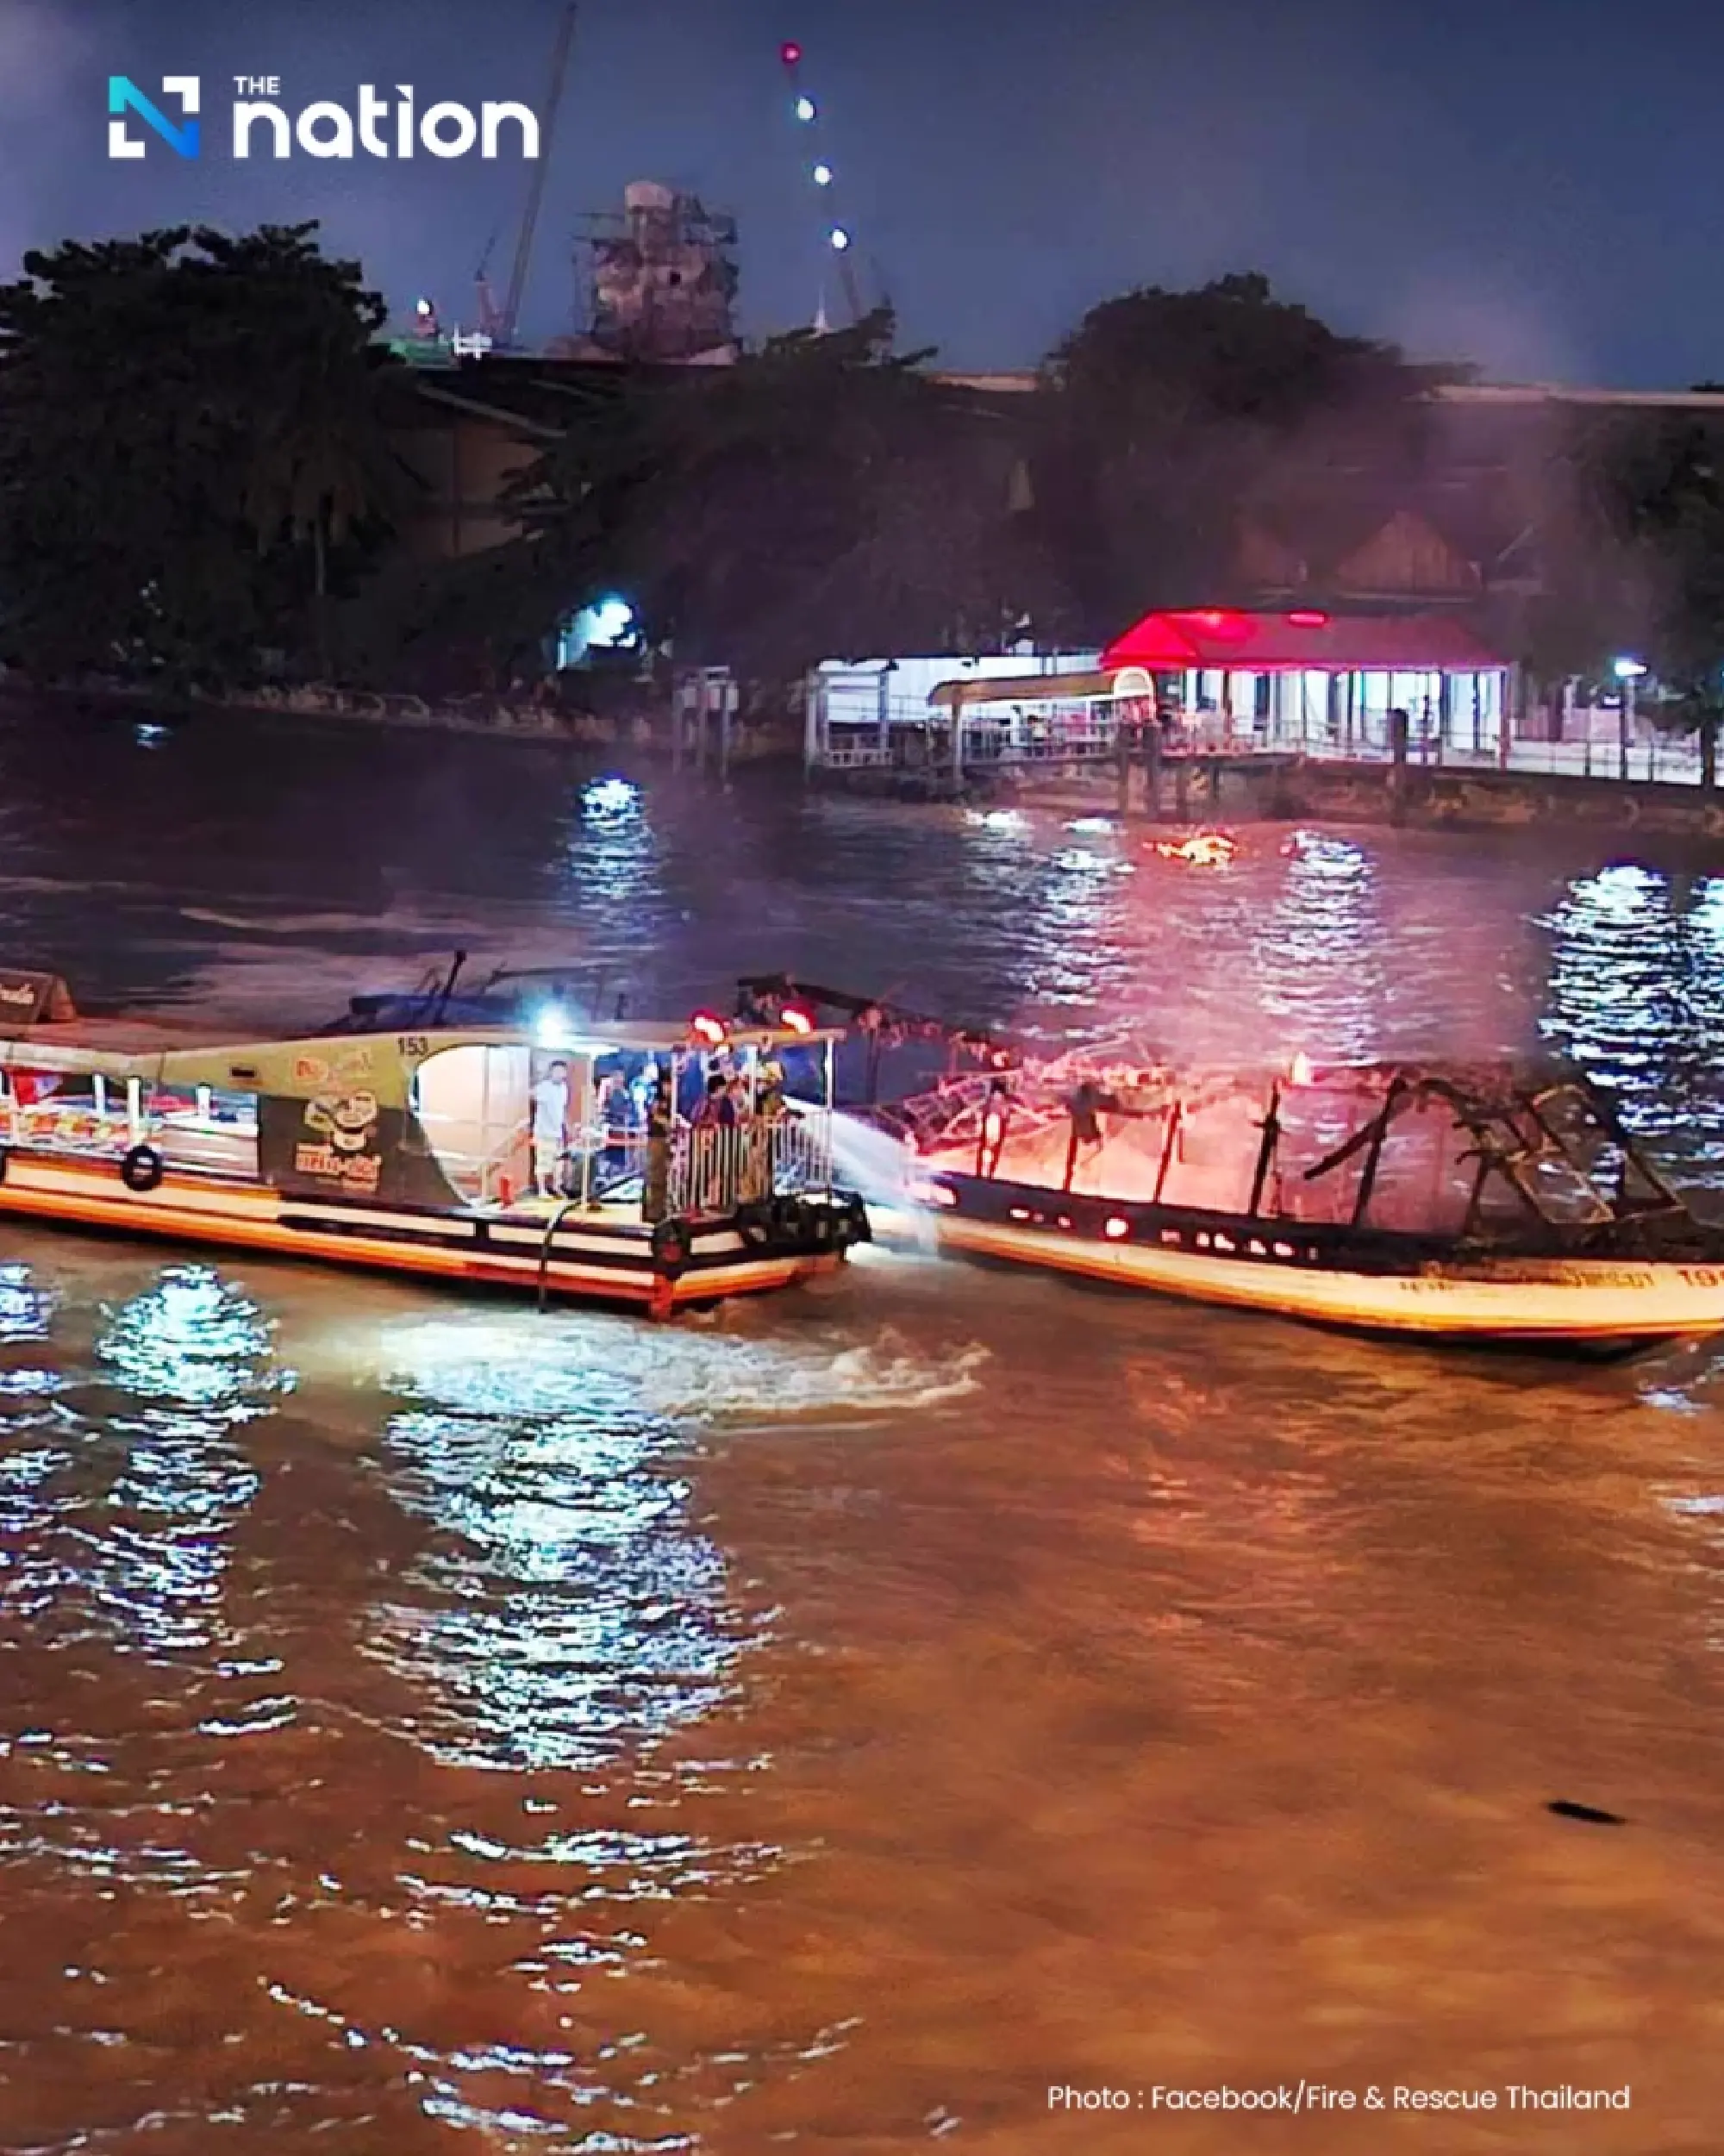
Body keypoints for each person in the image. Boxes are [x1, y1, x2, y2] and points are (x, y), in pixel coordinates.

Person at [530, 1058, 571, 1197]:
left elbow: (563, 1109)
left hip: (557, 1131)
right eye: (557, 1071)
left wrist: (567, 1126)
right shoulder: (543, 1087)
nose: (559, 1074)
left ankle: (556, 1186)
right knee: (543, 1161)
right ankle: (542, 1190)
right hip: (543, 1132)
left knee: (559, 1160)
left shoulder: (564, 1088)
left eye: (562, 1071)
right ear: (551, 1072)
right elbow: (531, 1094)